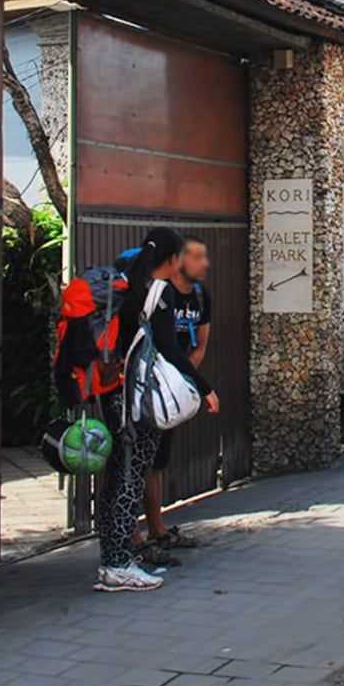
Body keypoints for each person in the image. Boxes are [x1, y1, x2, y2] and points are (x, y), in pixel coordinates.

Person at [95, 227, 219, 593]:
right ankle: (118, 564)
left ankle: (112, 559)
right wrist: (205, 387)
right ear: (170, 258)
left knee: (117, 476)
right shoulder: (157, 291)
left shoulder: (126, 286)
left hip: (114, 394)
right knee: (130, 479)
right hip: (139, 399)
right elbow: (170, 348)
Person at [134, 235, 213, 566]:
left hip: (173, 390)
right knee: (136, 459)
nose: (204, 263)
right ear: (177, 261)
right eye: (196, 257)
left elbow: (201, 342)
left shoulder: (199, 296)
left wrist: (182, 383)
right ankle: (131, 535)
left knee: (158, 459)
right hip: (144, 387)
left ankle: (156, 527)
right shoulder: (156, 292)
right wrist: (200, 386)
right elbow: (162, 345)